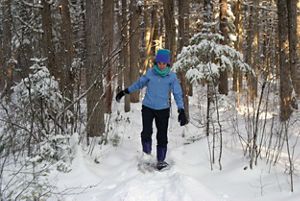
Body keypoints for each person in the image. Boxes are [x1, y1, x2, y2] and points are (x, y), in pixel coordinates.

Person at [115, 49, 188, 170]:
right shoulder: (150, 73)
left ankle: (161, 160)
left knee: (162, 135)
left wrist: (181, 110)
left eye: (164, 63)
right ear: (156, 62)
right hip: (148, 107)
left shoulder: (171, 77)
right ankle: (147, 155)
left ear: (167, 64)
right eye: (159, 63)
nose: (161, 65)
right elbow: (139, 84)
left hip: (163, 109)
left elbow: (177, 93)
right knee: (146, 132)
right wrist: (125, 91)